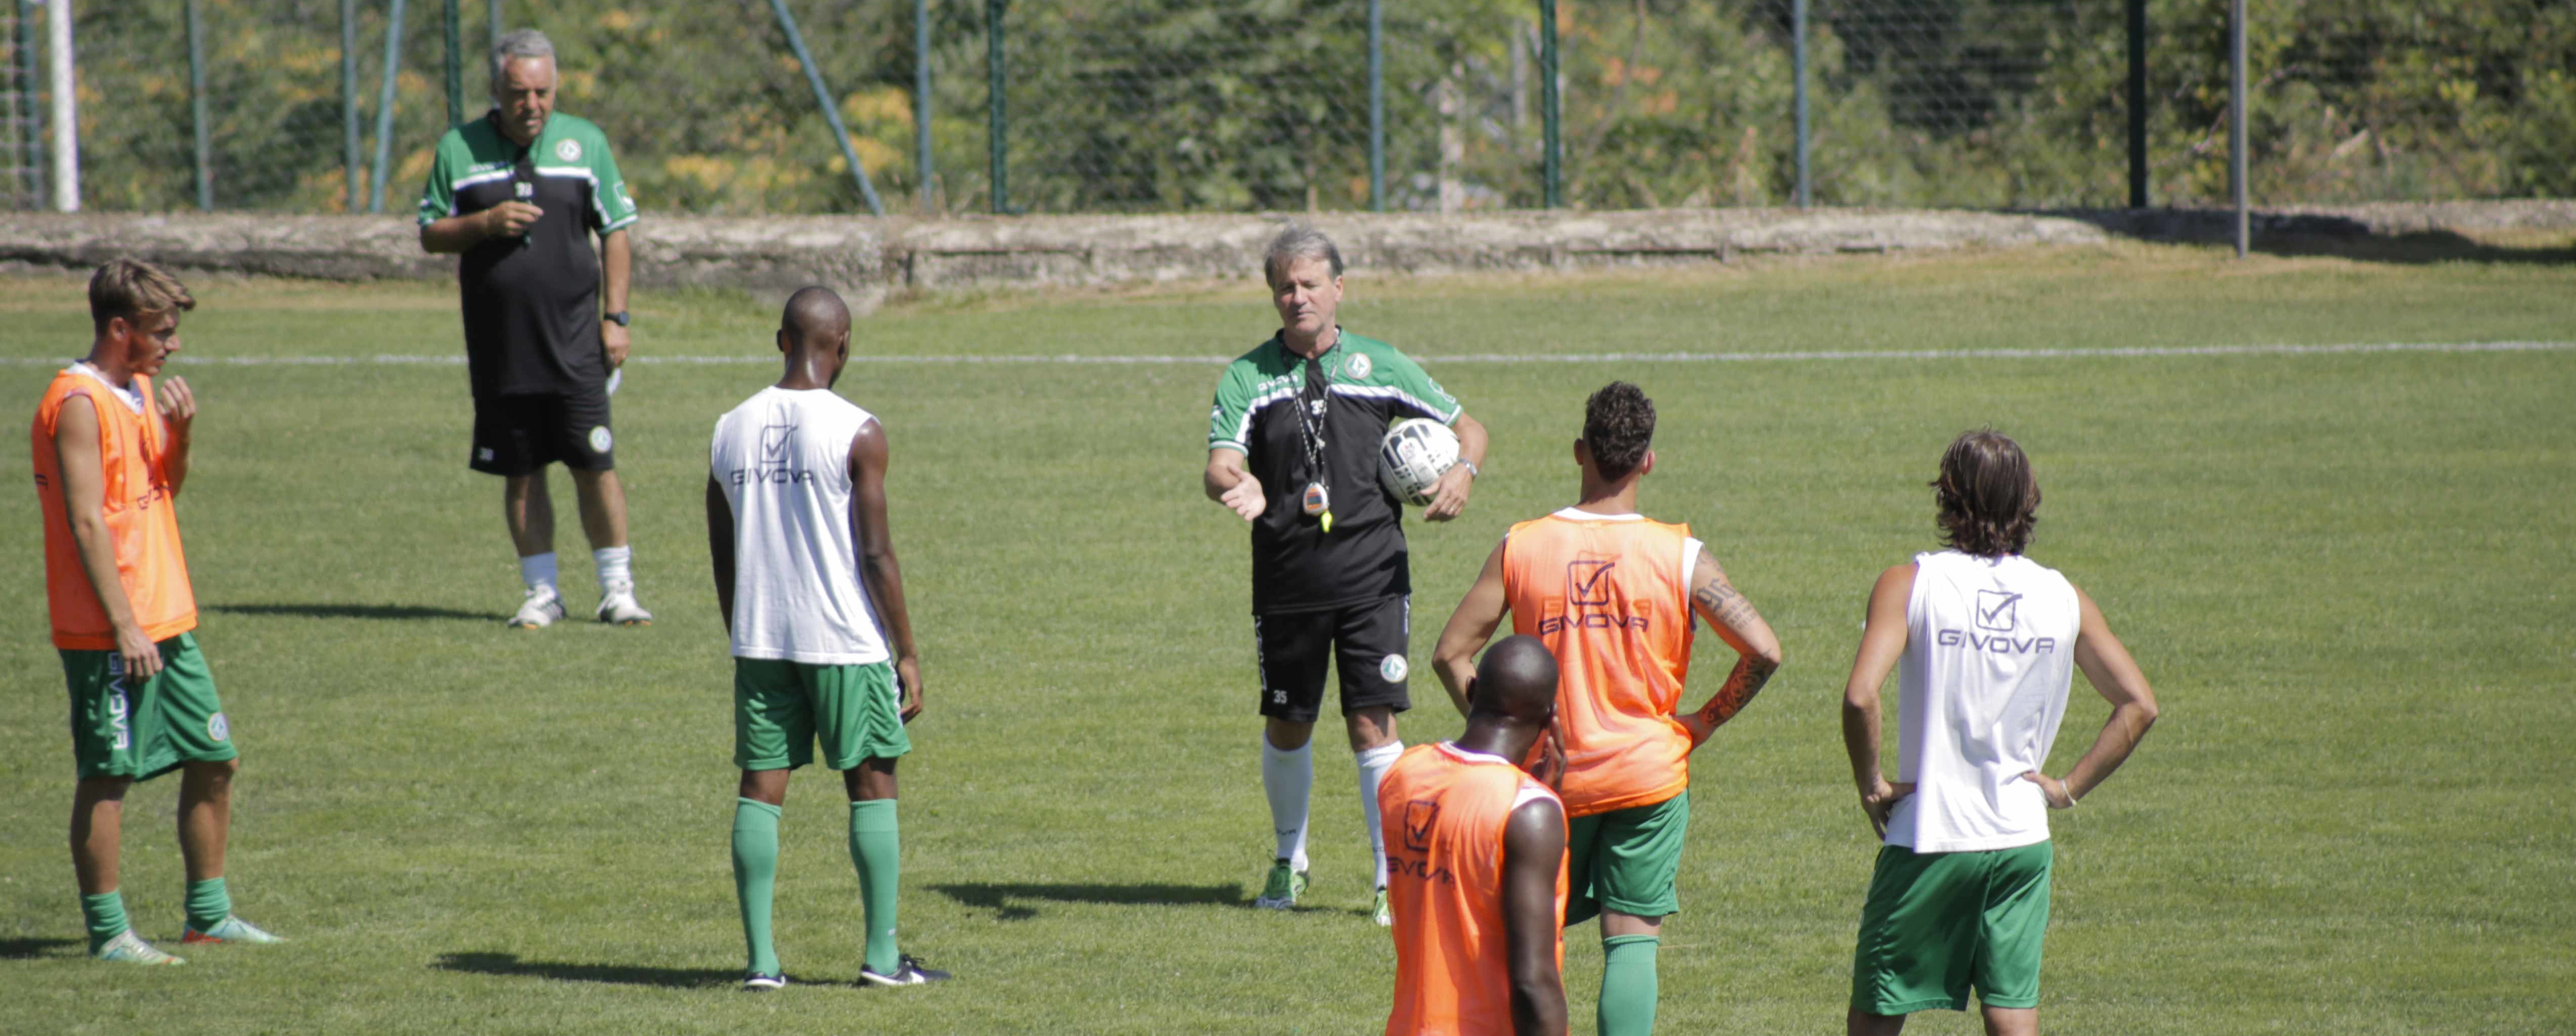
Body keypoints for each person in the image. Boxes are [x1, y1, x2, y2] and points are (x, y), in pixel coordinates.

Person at [1432, 381, 1783, 1036]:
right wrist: (1699, 724)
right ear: (1647, 461)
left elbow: (1451, 654)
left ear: (1578, 452)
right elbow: (1763, 650)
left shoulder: (1523, 544)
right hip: (1646, 777)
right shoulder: (1680, 555)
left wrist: (1499, 750)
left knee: (1533, 944)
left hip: (1544, 785)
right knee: (1630, 941)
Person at [1203, 223, 1491, 922]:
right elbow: (1219, 462)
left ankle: (1391, 878)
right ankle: (1287, 863)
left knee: (1373, 726)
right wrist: (1231, 484)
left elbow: (1469, 426)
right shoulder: (1249, 377)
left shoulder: (1383, 365)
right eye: (1284, 288)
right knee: (1288, 726)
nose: (1296, 298)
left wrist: (1462, 471)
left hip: (1372, 579)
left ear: (1338, 289)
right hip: (1286, 581)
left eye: (1308, 285)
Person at [1839, 430, 2159, 1036]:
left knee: (1877, 1016)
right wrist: (2064, 789)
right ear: (2027, 500)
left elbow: (1860, 696)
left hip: (1930, 837)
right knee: (2012, 1015)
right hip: (2021, 839)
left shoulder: (1909, 584)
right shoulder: (2064, 598)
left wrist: (1872, 784)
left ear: (1948, 496)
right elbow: (2139, 703)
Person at [32, 259, 282, 965]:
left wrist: (185, 433)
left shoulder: (138, 389)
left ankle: (208, 915)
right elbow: (86, 523)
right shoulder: (78, 402)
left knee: (215, 757)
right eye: (160, 332)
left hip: (167, 616)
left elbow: (163, 486)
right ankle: (110, 934)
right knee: (110, 773)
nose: (171, 346)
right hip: (111, 626)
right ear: (120, 328)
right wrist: (123, 625)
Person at [705, 286, 946, 991]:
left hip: (760, 639)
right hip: (844, 638)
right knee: (872, 785)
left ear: (780, 340)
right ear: (843, 346)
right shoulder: (857, 429)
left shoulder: (727, 428)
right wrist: (905, 651)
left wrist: (741, 629)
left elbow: (723, 552)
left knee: (760, 788)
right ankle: (880, 959)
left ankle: (761, 964)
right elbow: (876, 555)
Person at [418, 28, 649, 629]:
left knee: (594, 462)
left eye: (543, 92)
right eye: (520, 93)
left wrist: (616, 317)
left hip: (576, 342)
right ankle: (542, 592)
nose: (533, 105)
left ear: (556, 87)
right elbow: (429, 232)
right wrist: (487, 221)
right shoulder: (459, 149)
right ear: (498, 88)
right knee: (521, 470)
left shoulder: (586, 143)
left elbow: (616, 229)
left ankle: (617, 589)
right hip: (503, 346)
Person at [1381, 635, 1571, 1036]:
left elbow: (1461, 845)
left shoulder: (1404, 774)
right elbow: (1532, 982)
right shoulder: (1528, 812)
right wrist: (1537, 802)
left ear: (1471, 690)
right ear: (1551, 715)